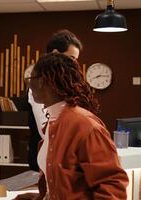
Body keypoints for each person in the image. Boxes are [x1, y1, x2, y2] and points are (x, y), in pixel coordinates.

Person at [16, 53, 128, 199]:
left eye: (31, 78)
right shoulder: (53, 123)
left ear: (42, 81)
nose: (29, 84)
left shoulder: (85, 126)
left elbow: (112, 187)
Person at [27, 29, 83, 171]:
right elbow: (45, 128)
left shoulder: (67, 86)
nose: (75, 64)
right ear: (56, 54)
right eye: (71, 58)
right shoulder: (42, 87)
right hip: (46, 159)